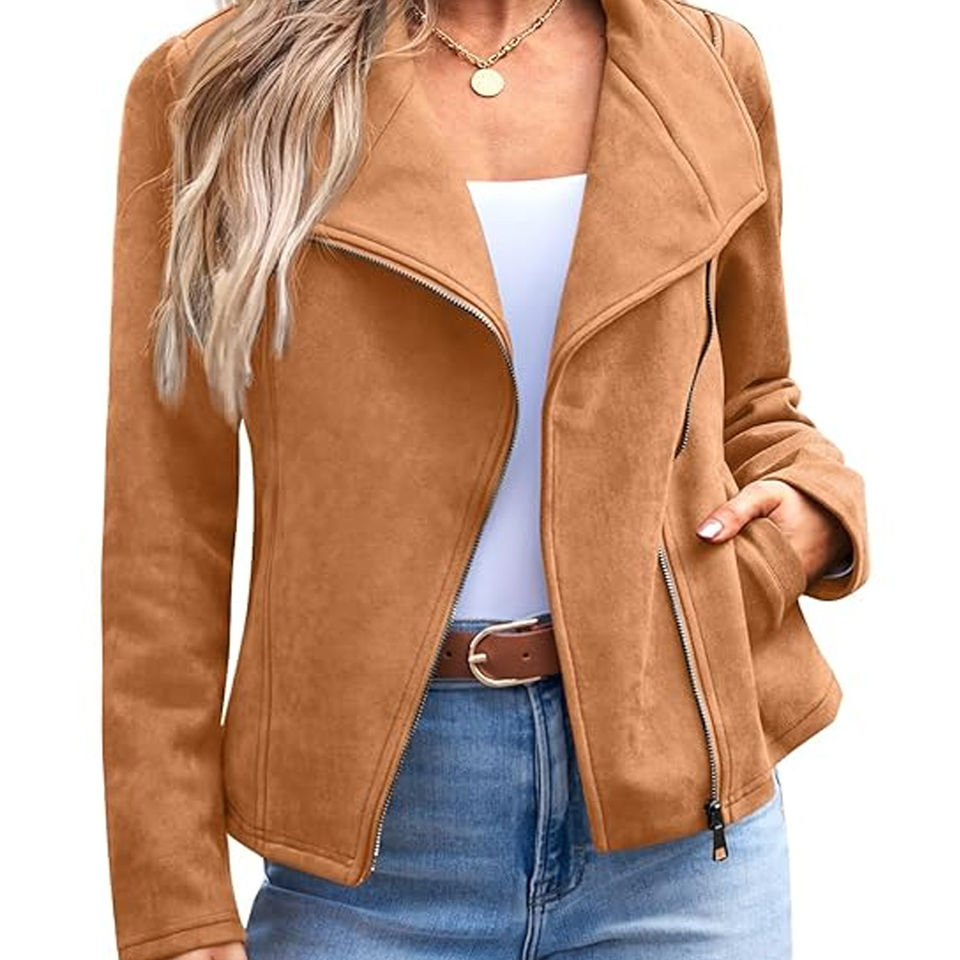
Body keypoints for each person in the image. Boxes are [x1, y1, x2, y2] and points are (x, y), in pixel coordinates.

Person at [100, 0, 869, 958]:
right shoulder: (220, 83)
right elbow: (164, 527)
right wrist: (174, 909)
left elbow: (754, 398)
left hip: (681, 828)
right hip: (370, 857)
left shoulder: (706, 65)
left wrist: (812, 512)